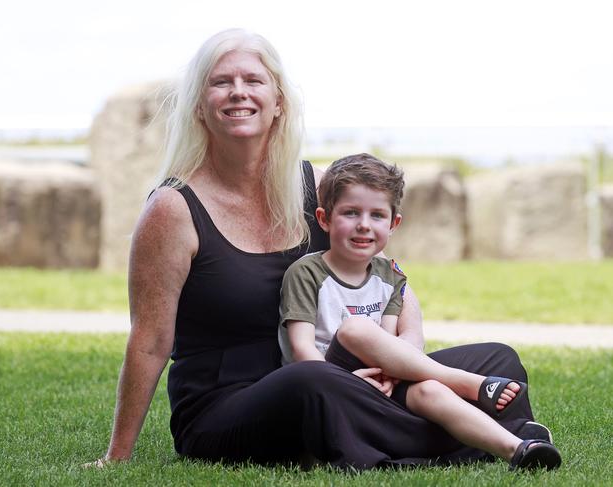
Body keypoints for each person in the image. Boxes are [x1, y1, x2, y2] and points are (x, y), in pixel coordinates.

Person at [87, 28, 558, 471]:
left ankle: (454, 432)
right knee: (311, 383)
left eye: (254, 80)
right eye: (220, 82)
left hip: (346, 376)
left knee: (498, 358)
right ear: (198, 107)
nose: (238, 92)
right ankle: (485, 434)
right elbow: (149, 340)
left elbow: (389, 276)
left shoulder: (314, 188)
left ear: (278, 104)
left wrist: (402, 363)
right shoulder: (172, 209)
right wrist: (118, 454)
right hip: (233, 403)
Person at [278, 153, 561, 469]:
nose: (363, 225)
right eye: (351, 213)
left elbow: (390, 338)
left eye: (376, 215)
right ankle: (469, 384)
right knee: (355, 328)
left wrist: (389, 373)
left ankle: (517, 446)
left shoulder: (389, 274)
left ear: (393, 223)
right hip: (330, 382)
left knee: (444, 384)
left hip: (384, 379)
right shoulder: (306, 273)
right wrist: (345, 381)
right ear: (324, 219)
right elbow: (302, 349)